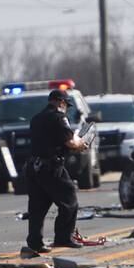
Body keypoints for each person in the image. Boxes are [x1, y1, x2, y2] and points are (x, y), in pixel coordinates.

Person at [24, 89, 88, 254]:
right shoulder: (60, 118)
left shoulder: (36, 118)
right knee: (69, 201)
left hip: (34, 167)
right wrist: (81, 144)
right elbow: (70, 142)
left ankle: (35, 241)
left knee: (37, 207)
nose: (66, 108)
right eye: (66, 104)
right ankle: (63, 237)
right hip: (52, 167)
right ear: (60, 102)